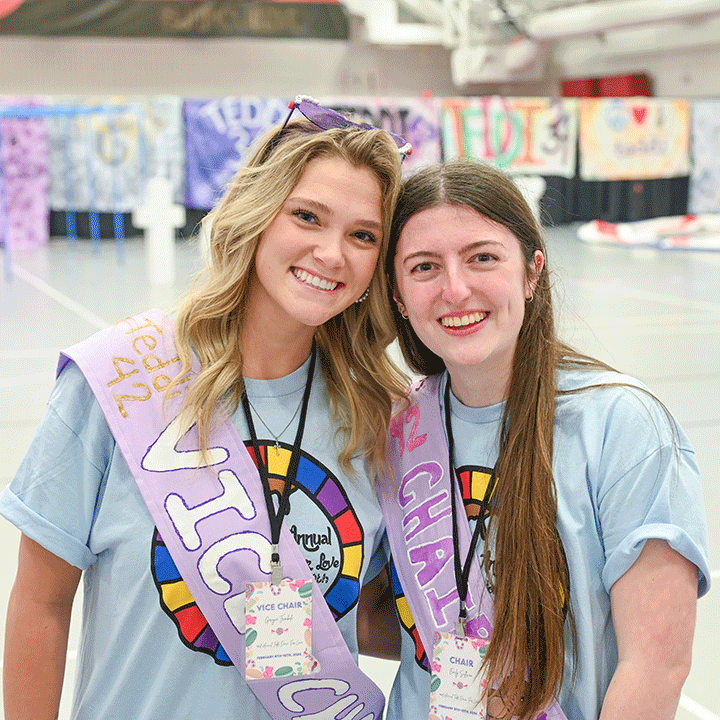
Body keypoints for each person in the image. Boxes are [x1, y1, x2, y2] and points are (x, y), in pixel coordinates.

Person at [1, 96, 412, 720]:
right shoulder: (119, 378)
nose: (333, 254)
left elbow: (385, 612)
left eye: (363, 237)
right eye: (307, 216)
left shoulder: (381, 419)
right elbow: (42, 603)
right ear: (256, 215)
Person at [377, 159, 711, 720]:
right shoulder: (394, 428)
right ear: (398, 295)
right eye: (425, 267)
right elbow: (387, 617)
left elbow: (655, 664)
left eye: (482, 257)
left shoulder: (621, 425)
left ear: (532, 272)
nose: (455, 289)